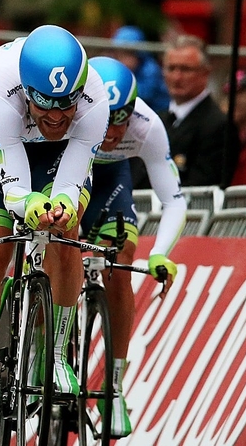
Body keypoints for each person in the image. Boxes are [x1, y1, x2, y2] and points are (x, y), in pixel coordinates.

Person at [0, 24, 109, 436]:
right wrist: (29, 203)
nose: (55, 116)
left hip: (59, 157)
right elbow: (15, 188)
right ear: (26, 90)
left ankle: (54, 354)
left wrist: (61, 205)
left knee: (66, 234)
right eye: (45, 104)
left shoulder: (96, 98)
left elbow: (72, 182)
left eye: (65, 105)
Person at [83, 56, 182, 436]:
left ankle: (113, 386)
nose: (112, 132)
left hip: (110, 186)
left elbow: (174, 200)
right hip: (63, 176)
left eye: (120, 120)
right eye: (106, 121)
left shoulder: (147, 125)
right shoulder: (71, 111)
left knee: (121, 263)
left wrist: (161, 253)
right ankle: (43, 352)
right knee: (57, 253)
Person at [133, 34, 239, 190]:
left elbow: (202, 186)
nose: (176, 77)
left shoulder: (218, 126)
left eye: (185, 69)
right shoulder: (156, 120)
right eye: (171, 68)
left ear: (205, 73)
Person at [110, 25, 170, 112]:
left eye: (127, 54)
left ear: (138, 54)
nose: (122, 59)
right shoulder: (116, 69)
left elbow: (141, 95)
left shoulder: (150, 70)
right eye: (119, 54)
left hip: (156, 114)